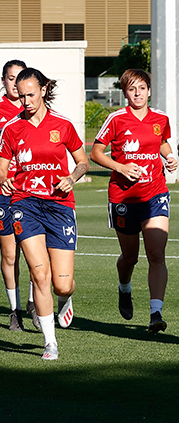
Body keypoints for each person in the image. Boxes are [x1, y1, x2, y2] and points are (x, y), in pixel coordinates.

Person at [0, 68, 88, 360]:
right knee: (39, 272)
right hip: (25, 205)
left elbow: (83, 162)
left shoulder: (63, 125)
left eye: (31, 94)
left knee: (61, 282)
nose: (26, 101)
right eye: (21, 96)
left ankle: (66, 297)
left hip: (59, 205)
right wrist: (3, 179)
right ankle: (50, 342)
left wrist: (71, 178)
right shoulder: (12, 128)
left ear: (44, 90)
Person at [90, 69, 177, 333]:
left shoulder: (161, 117)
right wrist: (120, 167)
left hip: (155, 193)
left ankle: (155, 313)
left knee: (156, 253)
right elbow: (95, 152)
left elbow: (161, 142)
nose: (137, 93)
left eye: (141, 88)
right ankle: (124, 287)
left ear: (149, 90)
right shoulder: (116, 119)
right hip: (123, 197)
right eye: (131, 89)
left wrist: (170, 157)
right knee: (130, 257)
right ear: (125, 92)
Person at [0, 60, 32, 331]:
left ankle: (32, 302)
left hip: (30, 190)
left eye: (20, 78)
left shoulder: (35, 109)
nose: (15, 84)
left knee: (32, 250)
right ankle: (14, 310)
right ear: (3, 81)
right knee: (9, 253)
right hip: (0, 191)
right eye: (11, 78)